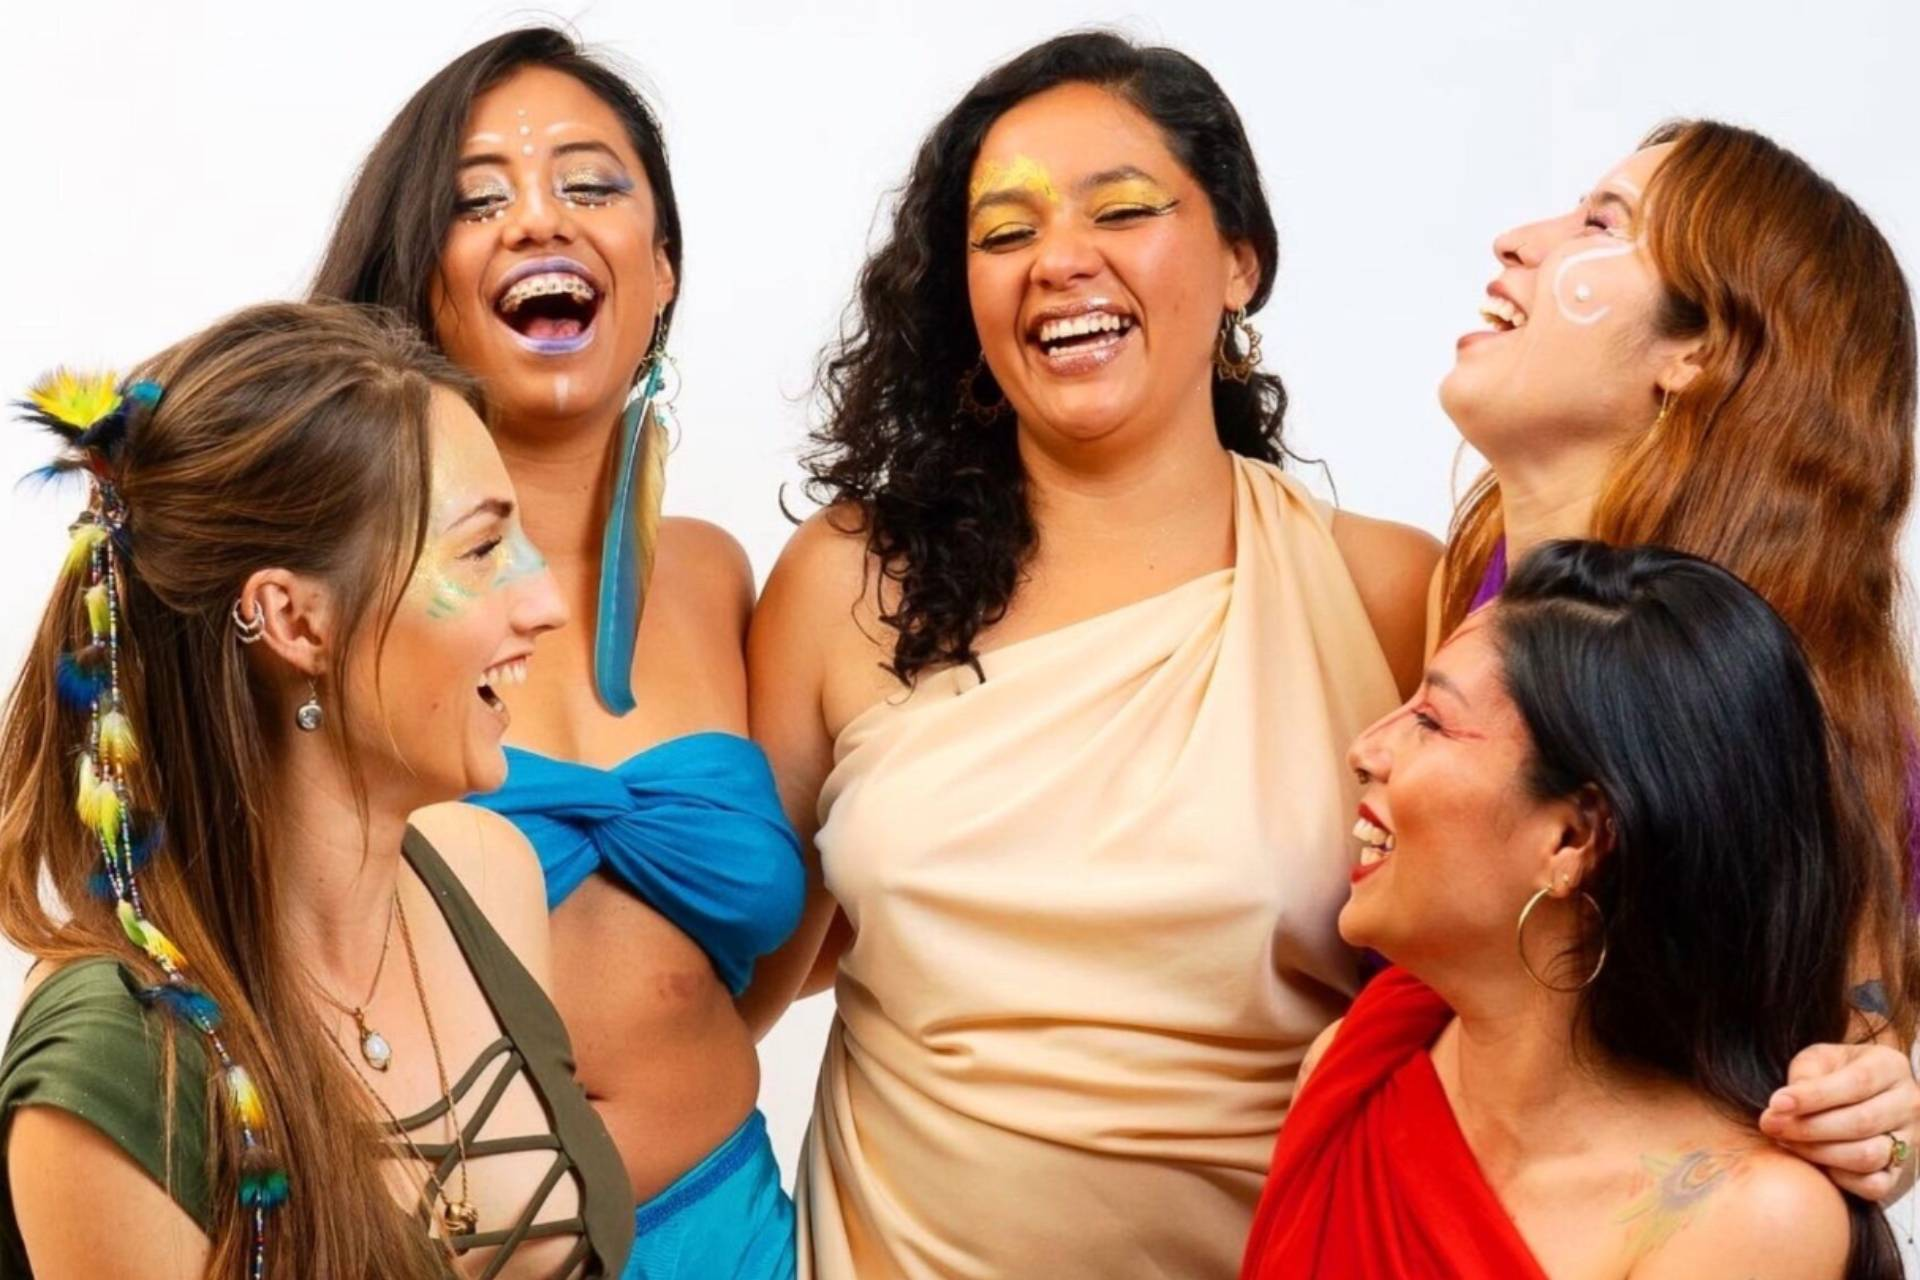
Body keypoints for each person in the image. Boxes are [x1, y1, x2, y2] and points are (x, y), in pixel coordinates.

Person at [746, 32, 1436, 1278]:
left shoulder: (1387, 593)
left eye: (1122, 209)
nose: (1059, 258)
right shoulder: (849, 581)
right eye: (1004, 232)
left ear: (1241, 259)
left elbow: (1529, 974)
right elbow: (729, 981)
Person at [0, 302, 633, 1277]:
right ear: (296, 622)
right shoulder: (120, 1062)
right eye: (481, 550)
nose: (544, 601)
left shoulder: (486, 874)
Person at [313, 29, 804, 1278]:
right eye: (479, 200)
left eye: (590, 184)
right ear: (417, 274)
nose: (540, 218)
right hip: (445, 1249)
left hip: (736, 1224)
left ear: (663, 267)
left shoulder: (717, 575)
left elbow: (788, 929)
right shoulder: (341, 586)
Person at [1432, 118, 1920, 1201]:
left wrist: (1880, 1118)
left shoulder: (1812, 708)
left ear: (1698, 351)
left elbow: (1861, 1063)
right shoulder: (1459, 594)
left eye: (1602, 223)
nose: (1518, 240)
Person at [1243, 540, 1900, 1279]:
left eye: (1430, 720)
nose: (1365, 748)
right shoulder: (1352, 1064)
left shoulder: (1752, 1216)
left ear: (1573, 838)